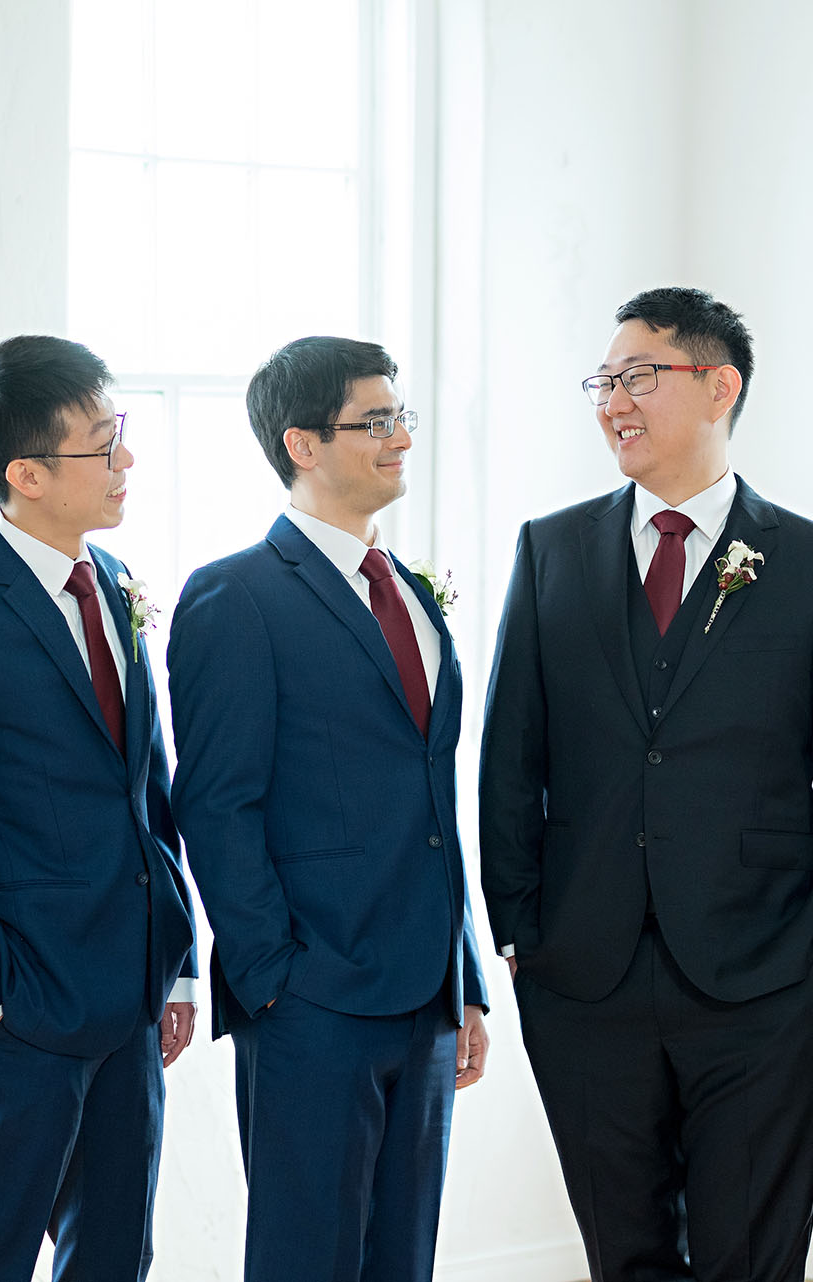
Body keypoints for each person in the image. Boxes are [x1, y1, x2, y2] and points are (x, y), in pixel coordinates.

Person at [478, 286, 813, 1281]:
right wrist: (523, 934)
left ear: (720, 387)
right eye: (604, 380)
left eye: (639, 376)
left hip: (764, 978)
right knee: (623, 1256)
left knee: (750, 1258)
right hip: (584, 975)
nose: (613, 400)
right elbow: (511, 759)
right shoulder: (551, 551)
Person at [0, 334, 198, 1281]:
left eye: (121, 432)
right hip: (22, 1019)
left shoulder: (118, 586)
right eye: (102, 444)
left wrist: (174, 966)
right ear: (25, 472)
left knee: (113, 1261)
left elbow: (152, 792)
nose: (125, 460)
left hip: (132, 1003)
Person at [167, 335, 488, 1282]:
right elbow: (218, 804)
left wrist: (461, 970)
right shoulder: (236, 596)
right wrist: (275, 977)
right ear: (301, 443)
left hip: (424, 994)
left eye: (402, 418)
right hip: (312, 999)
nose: (399, 439)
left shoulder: (413, 594)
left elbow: (434, 798)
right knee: (304, 1261)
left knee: (405, 1264)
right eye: (373, 422)